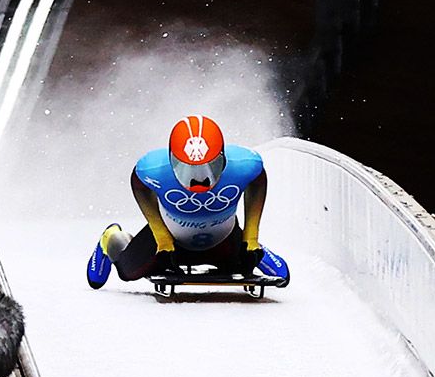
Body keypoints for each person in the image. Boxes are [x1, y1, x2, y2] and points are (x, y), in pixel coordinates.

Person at [85, 115, 289, 289]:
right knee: (128, 272)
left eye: (209, 166)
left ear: (222, 157)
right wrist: (161, 236)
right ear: (172, 159)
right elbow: (138, 185)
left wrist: (250, 236)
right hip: (170, 241)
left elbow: (258, 181)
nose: (199, 179)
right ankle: (111, 237)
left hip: (223, 238)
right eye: (188, 169)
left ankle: (250, 244)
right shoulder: (151, 168)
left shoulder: (246, 164)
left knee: (250, 268)